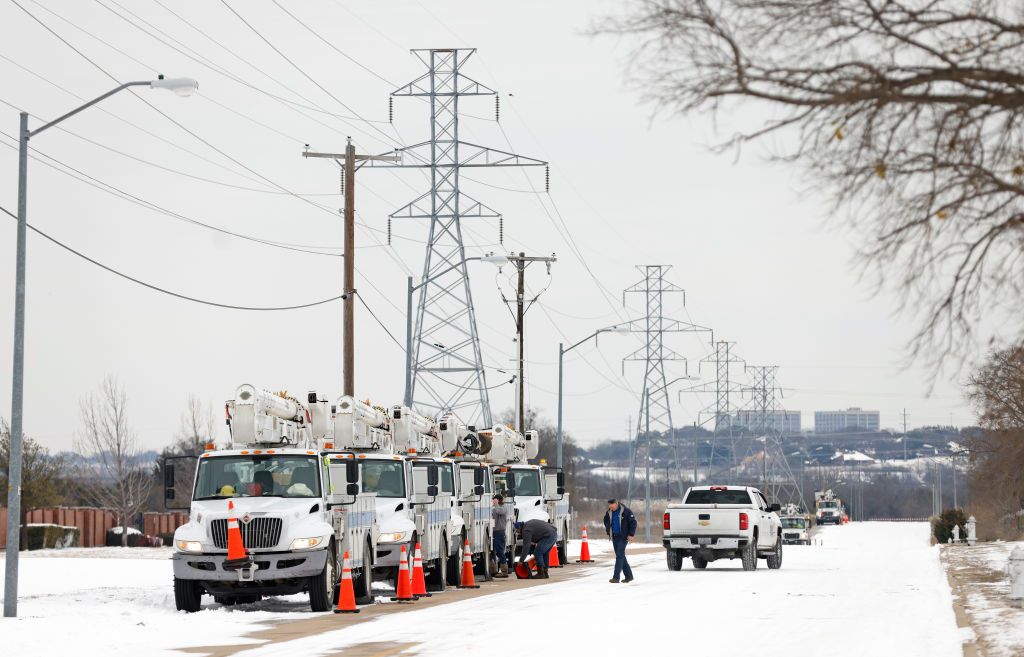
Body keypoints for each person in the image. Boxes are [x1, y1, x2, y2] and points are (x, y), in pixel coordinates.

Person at [603, 499, 637, 583]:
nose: (611, 506)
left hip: (623, 536)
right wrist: (608, 530)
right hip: (614, 537)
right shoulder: (609, 513)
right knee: (621, 556)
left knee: (619, 556)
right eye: (609, 505)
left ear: (616, 503)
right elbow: (606, 521)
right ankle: (629, 576)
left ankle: (616, 577)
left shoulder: (626, 511)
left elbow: (633, 523)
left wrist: (631, 534)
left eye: (612, 504)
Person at [492, 494, 509, 578]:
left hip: (499, 532)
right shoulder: (496, 507)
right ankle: (493, 569)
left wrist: (496, 504)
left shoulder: (503, 507)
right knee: (493, 551)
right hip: (494, 532)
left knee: (500, 551)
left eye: (494, 500)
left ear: (498, 500)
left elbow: (499, 512)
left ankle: (504, 571)